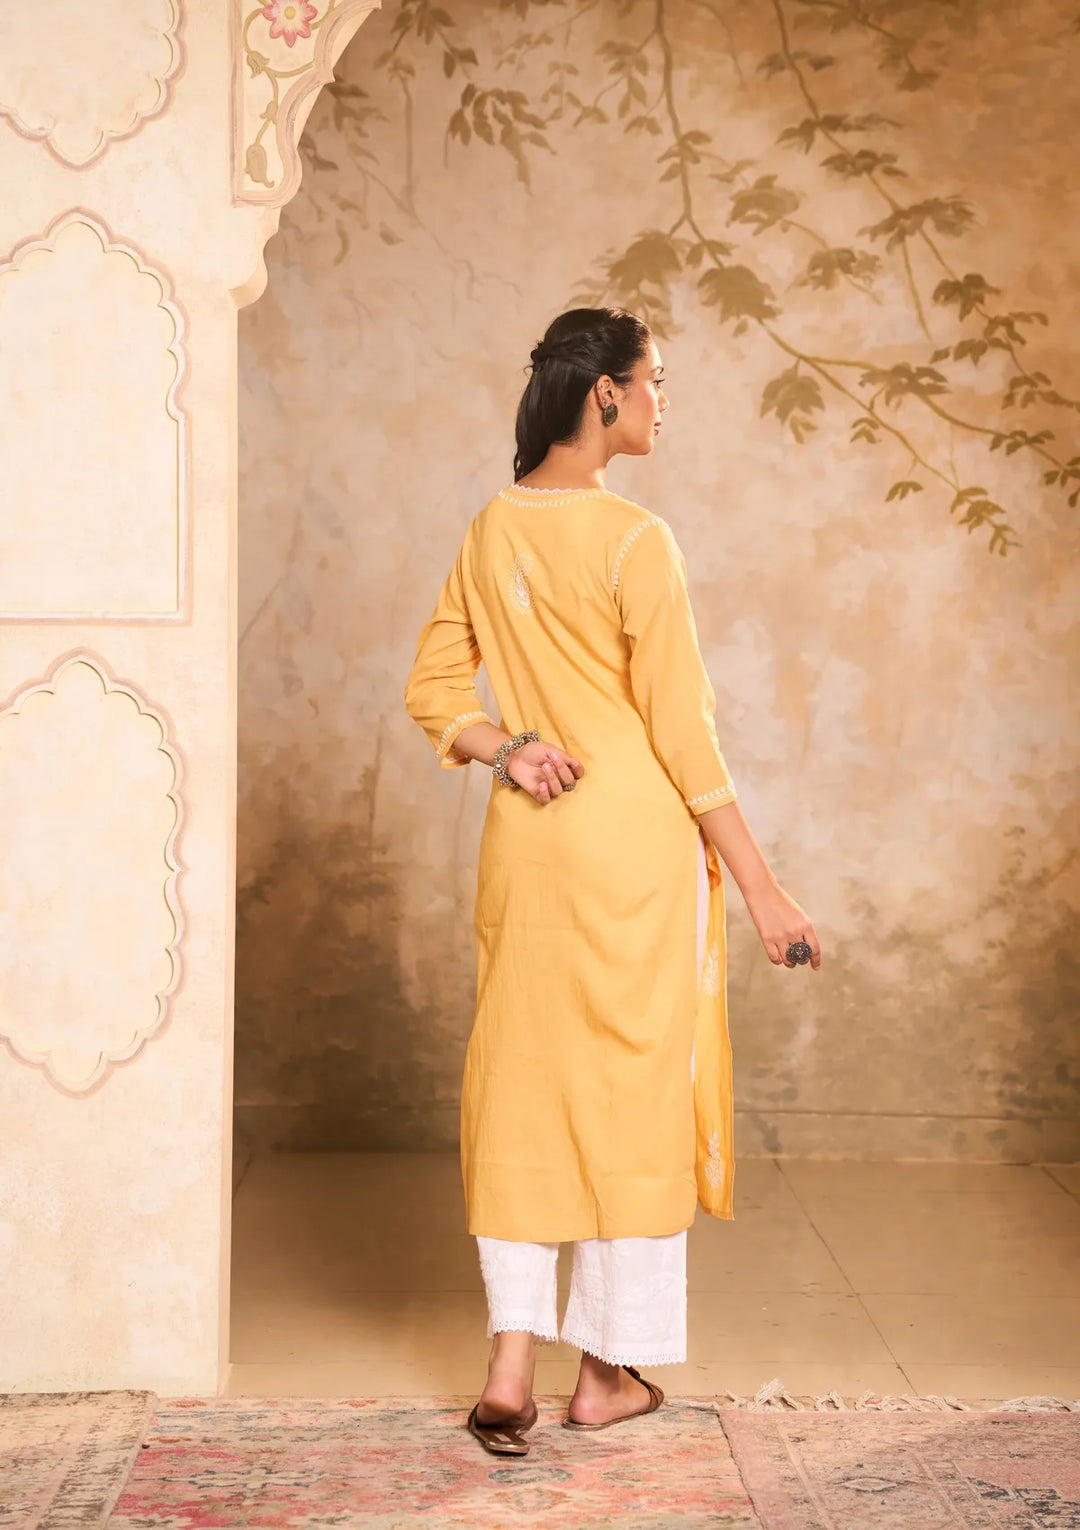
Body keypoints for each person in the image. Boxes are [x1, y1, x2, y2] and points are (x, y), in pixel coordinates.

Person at [404, 306, 820, 1455]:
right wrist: (764, 890)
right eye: (655, 382)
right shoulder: (638, 542)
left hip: (532, 848)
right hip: (635, 852)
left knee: (521, 1081)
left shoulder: (490, 529)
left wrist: (509, 749)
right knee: (630, 1095)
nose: (662, 402)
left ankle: (508, 1370)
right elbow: (684, 738)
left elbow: (435, 689)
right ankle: (603, 1376)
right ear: (605, 394)